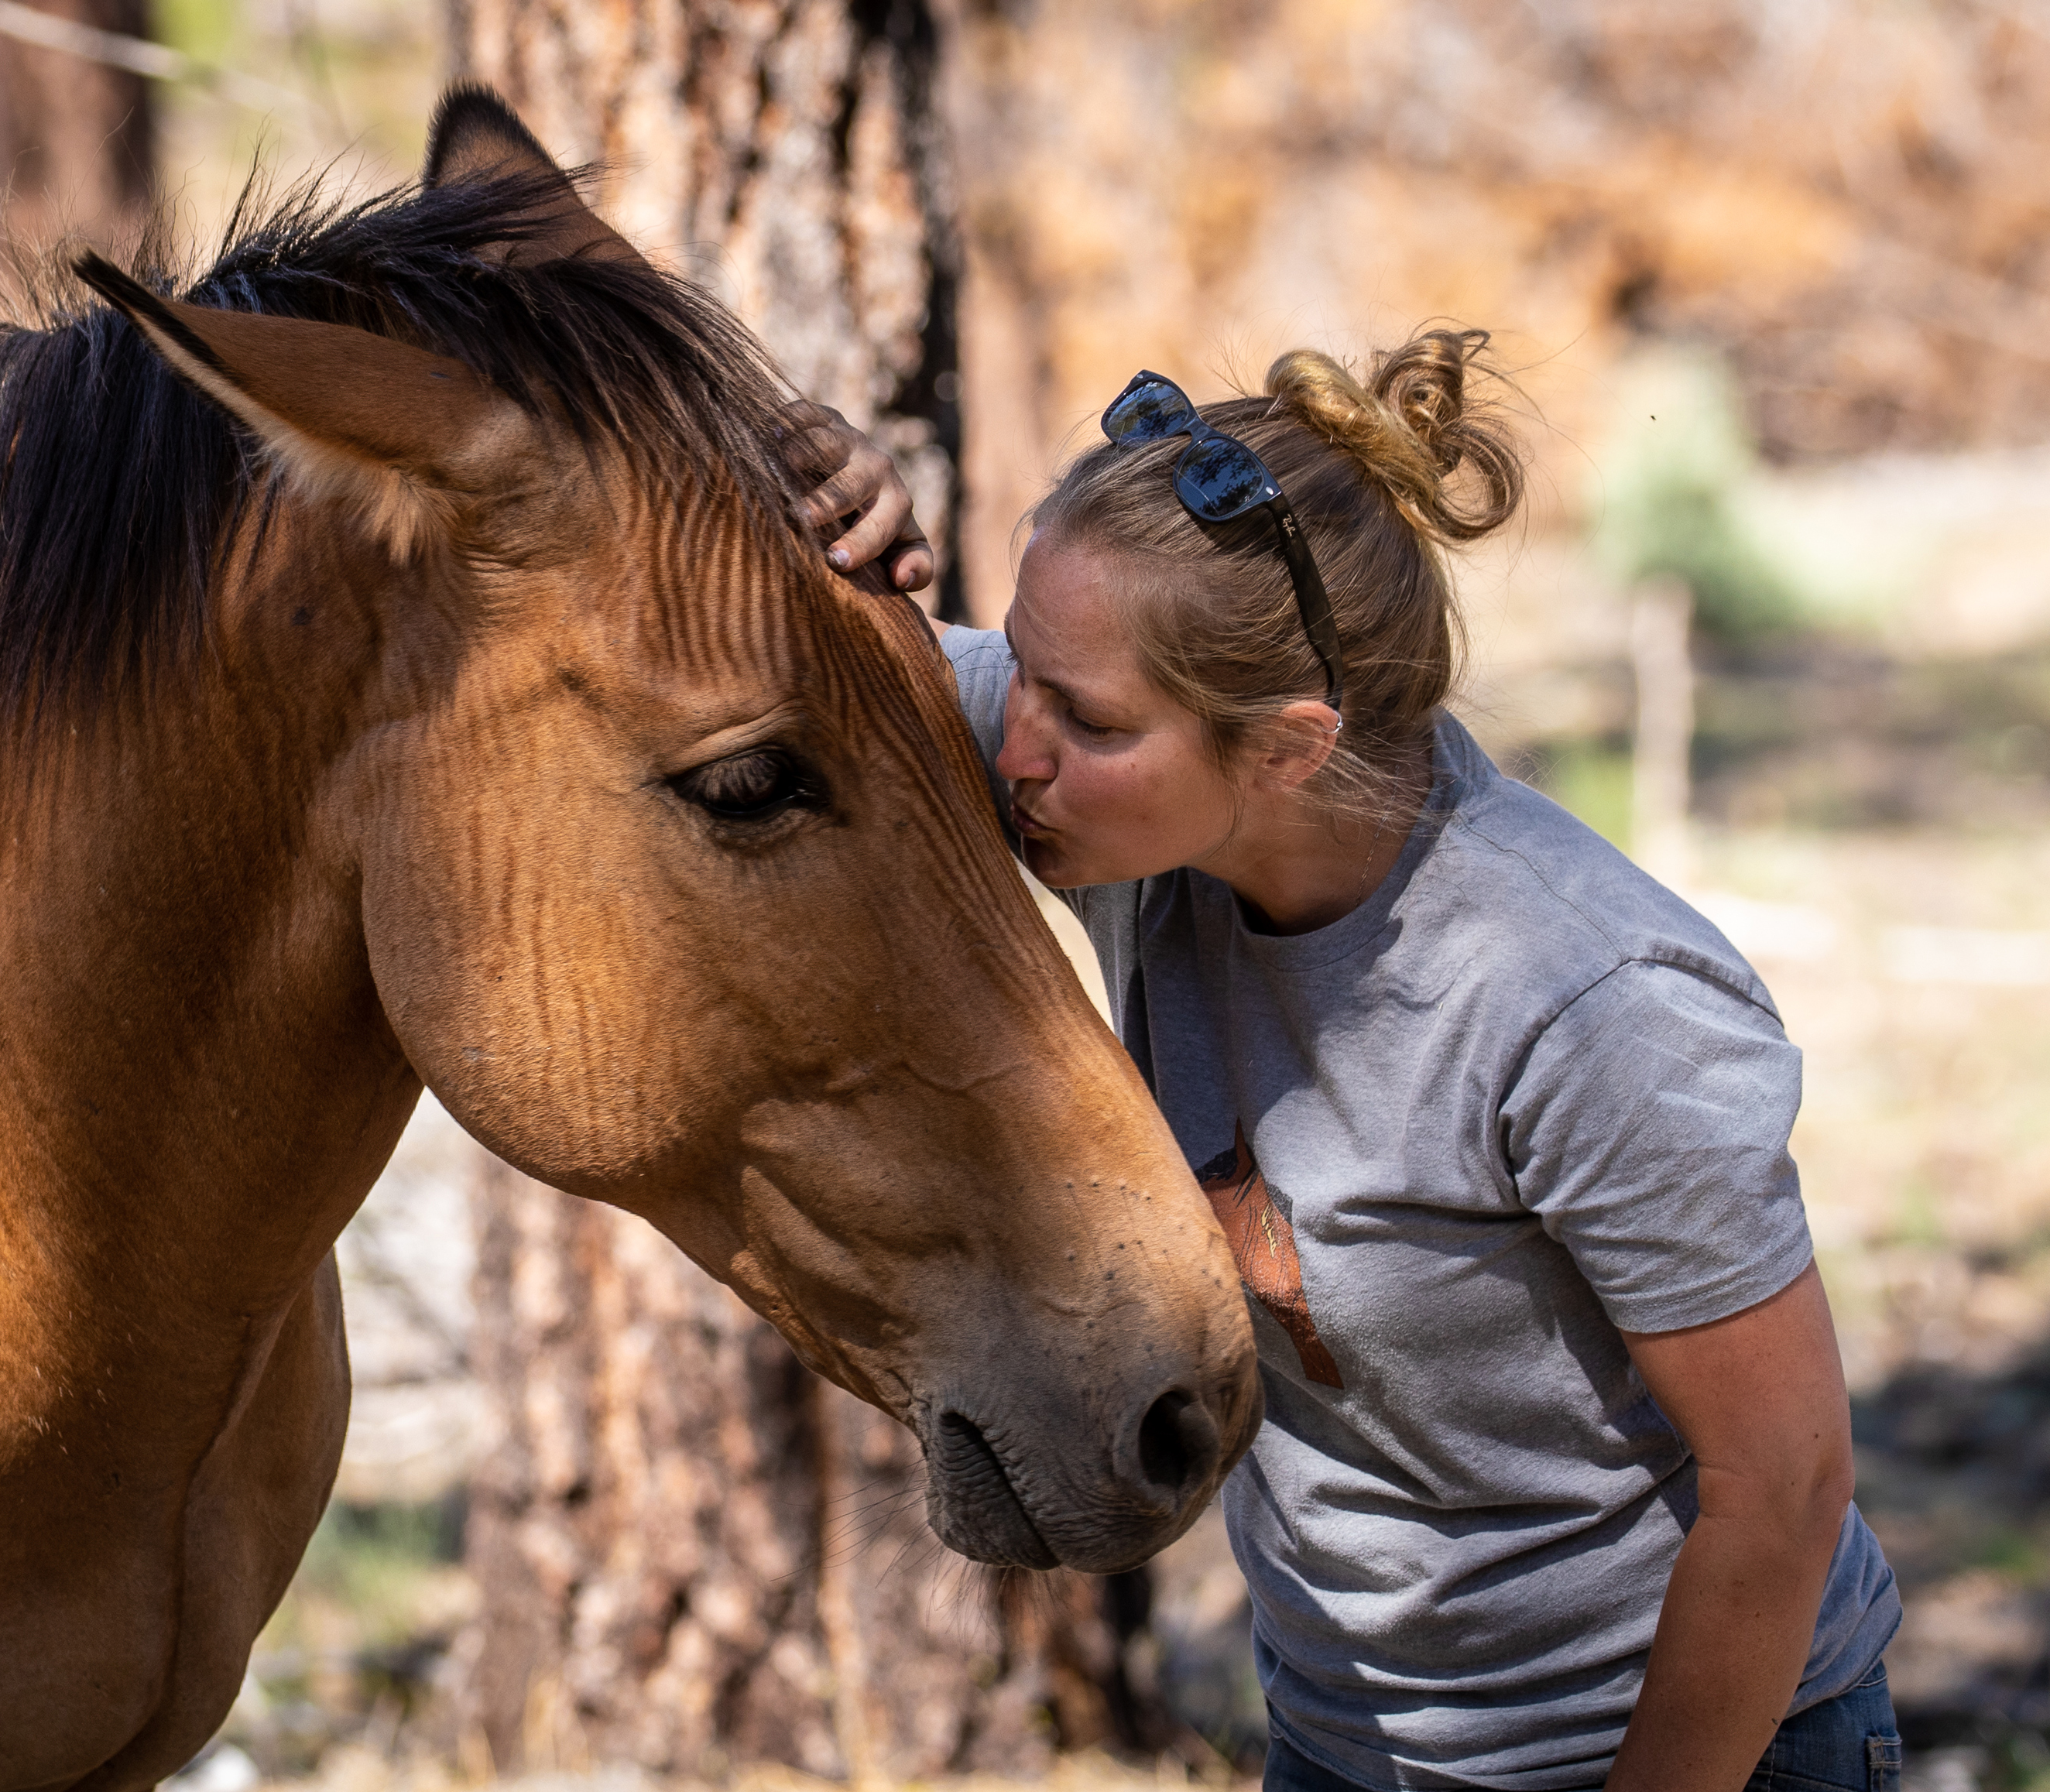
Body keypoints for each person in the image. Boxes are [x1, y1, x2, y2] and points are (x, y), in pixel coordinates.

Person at [786, 331, 1902, 1792]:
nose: (1016, 746)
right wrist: (798, 499)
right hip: (1341, 1740)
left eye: (1089, 719)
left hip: (1696, 1751)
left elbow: (1787, 1487)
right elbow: (801, 668)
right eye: (1026, 671)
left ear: (1292, 748)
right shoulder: (1133, 806)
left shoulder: (1585, 1001)